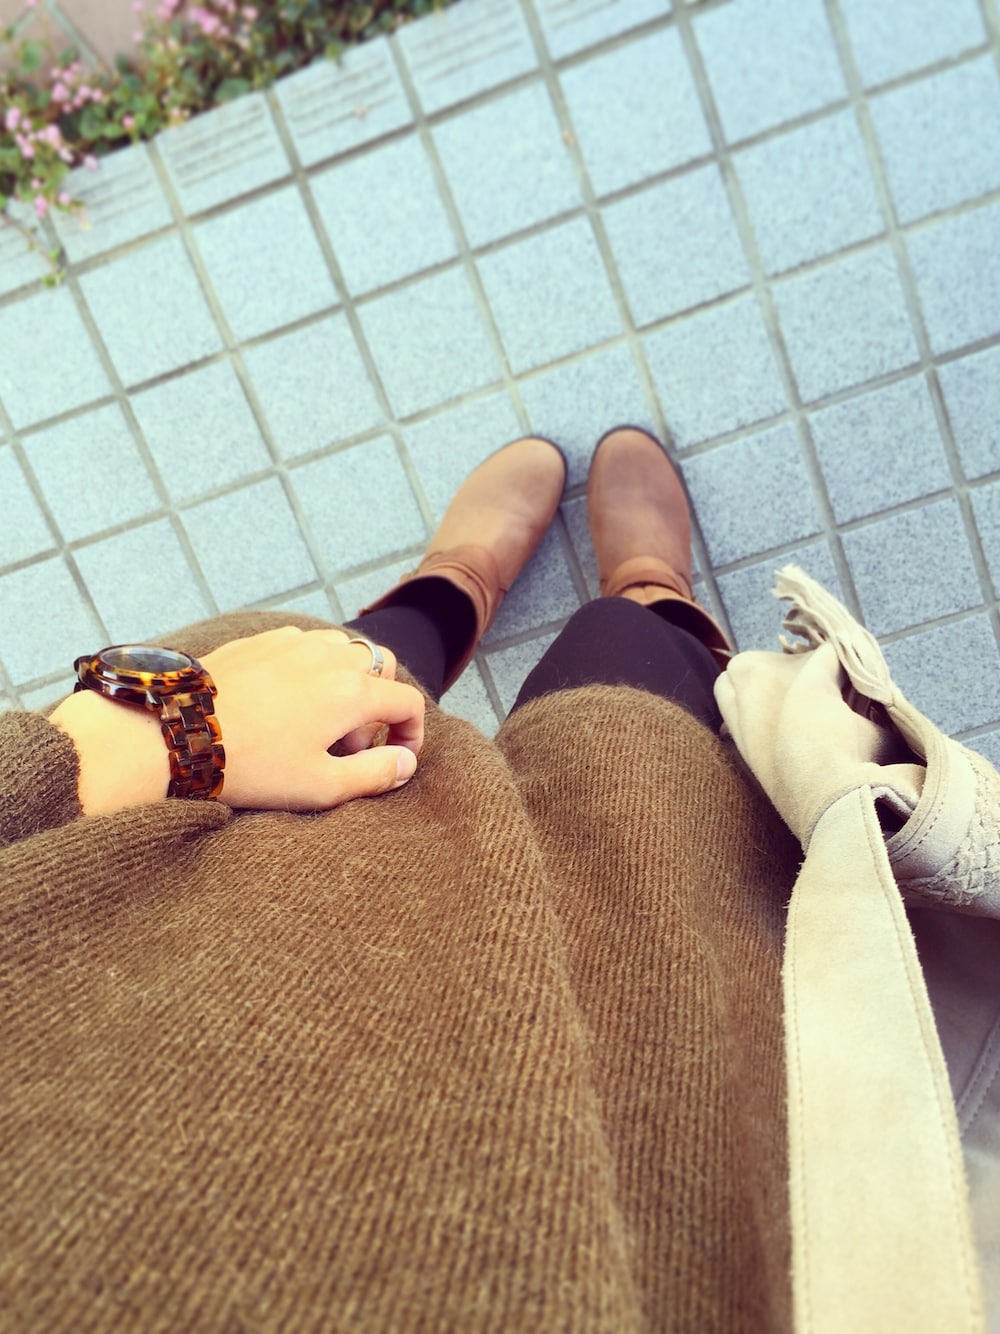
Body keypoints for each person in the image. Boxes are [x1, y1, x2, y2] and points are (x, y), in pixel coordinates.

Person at [1, 428, 803, 1331]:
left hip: (158, 915)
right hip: (616, 1134)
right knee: (630, 713)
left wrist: (149, 737)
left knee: (359, 676)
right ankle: (654, 591)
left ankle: (456, 583)